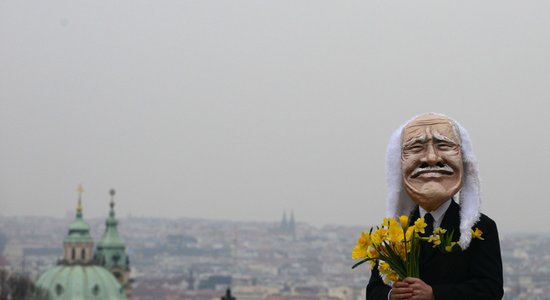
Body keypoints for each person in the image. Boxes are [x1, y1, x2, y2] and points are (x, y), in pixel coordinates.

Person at [366, 113, 503, 300]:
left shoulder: (481, 228)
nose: (431, 158)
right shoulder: (388, 233)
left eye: (444, 145)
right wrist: (391, 295)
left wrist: (435, 294)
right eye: (415, 147)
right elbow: (373, 290)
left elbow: (490, 290)